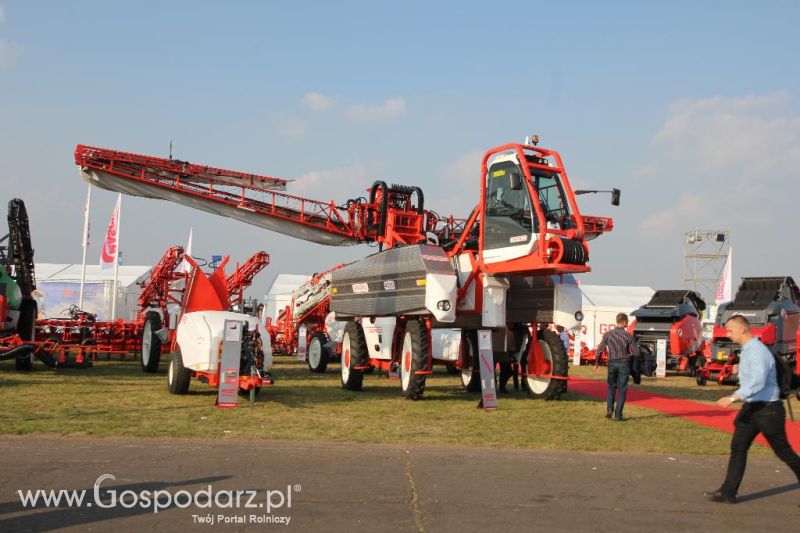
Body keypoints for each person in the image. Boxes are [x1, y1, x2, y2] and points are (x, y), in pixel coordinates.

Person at [704, 315, 800, 504]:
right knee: (738, 447)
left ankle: (728, 491)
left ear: (742, 329)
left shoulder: (756, 350)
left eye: (730, 330)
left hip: (768, 410)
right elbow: (756, 373)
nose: (727, 334)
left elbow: (758, 382)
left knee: (783, 452)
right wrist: (738, 368)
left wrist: (732, 398)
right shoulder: (749, 349)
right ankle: (728, 492)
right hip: (752, 408)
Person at [595, 313, 638, 421]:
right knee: (622, 389)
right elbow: (636, 352)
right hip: (624, 363)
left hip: (611, 363)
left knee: (611, 387)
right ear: (624, 322)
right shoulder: (628, 335)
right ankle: (618, 415)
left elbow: (600, 349)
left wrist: (597, 363)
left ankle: (609, 409)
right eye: (627, 322)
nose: (627, 324)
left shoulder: (608, 334)